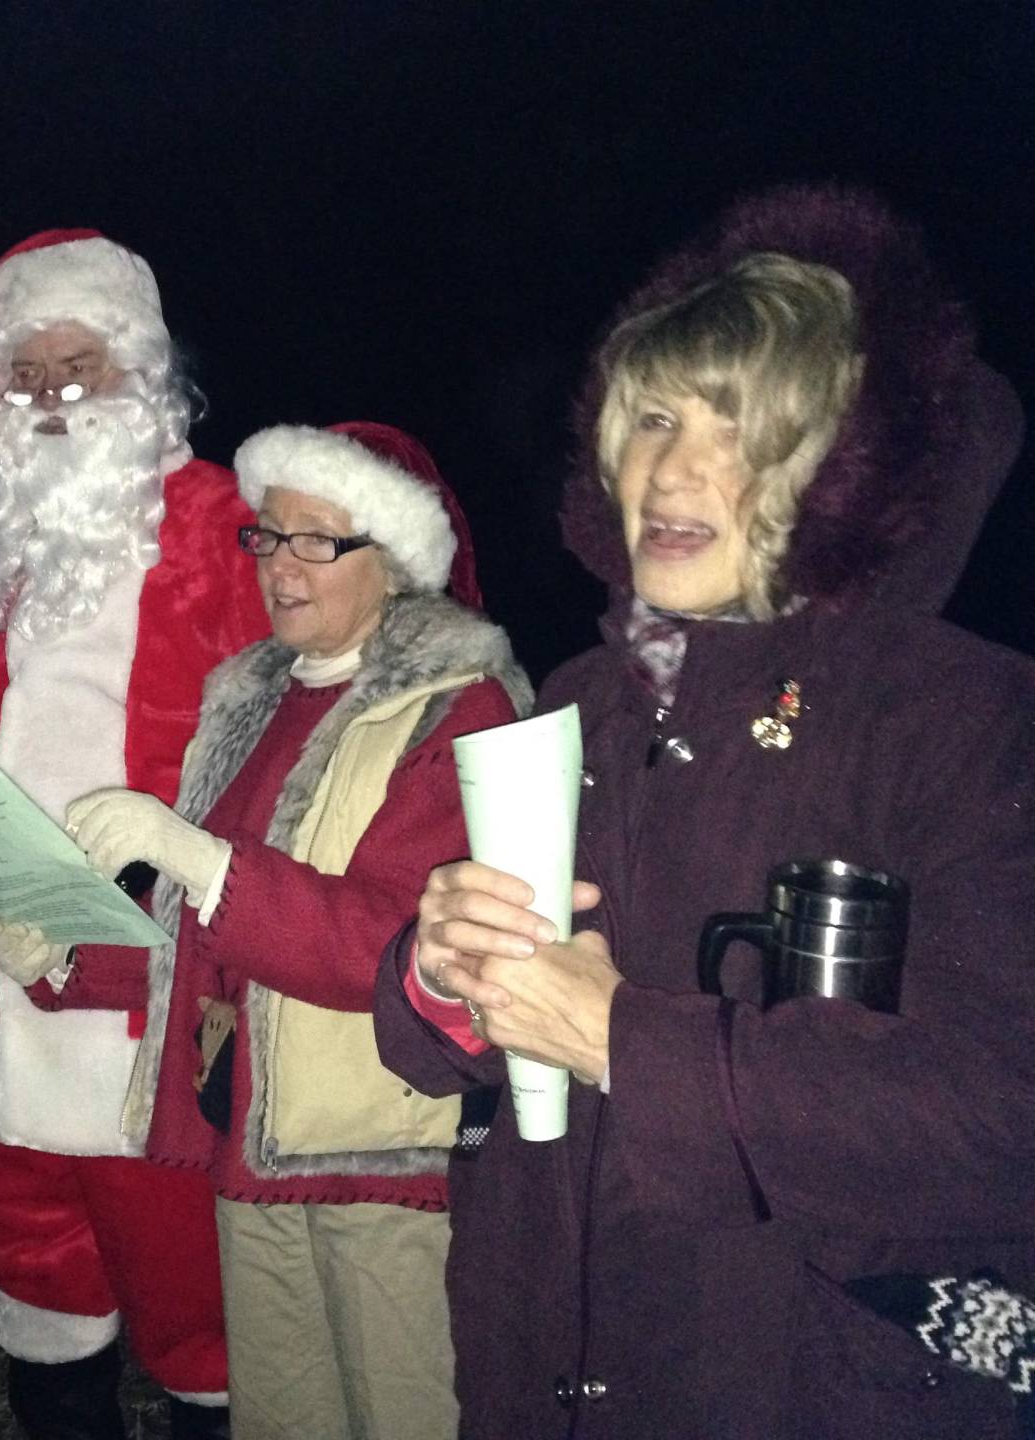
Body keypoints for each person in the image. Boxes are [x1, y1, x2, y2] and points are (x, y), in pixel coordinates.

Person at [372, 185, 1035, 1438]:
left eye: (738, 428)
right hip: (548, 1356)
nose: (674, 468)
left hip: (802, 1380)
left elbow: (1008, 1110)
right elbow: (457, 1046)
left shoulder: (967, 722)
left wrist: (627, 1040)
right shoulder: (582, 699)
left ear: (838, 466)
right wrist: (439, 975)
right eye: (655, 417)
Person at [5, 421, 529, 1437]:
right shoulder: (252, 699)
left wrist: (199, 856)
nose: (280, 565)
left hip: (383, 1160)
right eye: (268, 537)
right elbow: (212, 937)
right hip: (250, 1140)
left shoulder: (457, 712)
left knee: (405, 1420)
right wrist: (69, 954)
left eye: (316, 541)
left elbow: (390, 946)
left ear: (400, 562)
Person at [0, 229, 268, 1438]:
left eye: (77, 364)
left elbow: (284, 749)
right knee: (31, 1270)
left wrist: (240, 957)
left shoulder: (226, 528)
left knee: (193, 1294)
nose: (50, 395)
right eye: (26, 374)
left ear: (143, 378)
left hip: (149, 977)